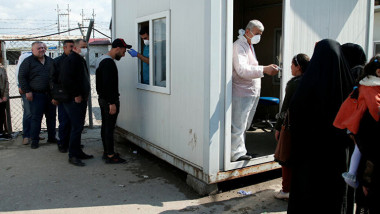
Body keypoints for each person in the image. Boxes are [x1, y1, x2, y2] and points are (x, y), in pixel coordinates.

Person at [287, 39, 354, 213]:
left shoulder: (305, 86)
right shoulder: (349, 88)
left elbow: (295, 113)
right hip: (336, 156)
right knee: (333, 196)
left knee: (308, 195)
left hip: (309, 155)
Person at [334, 55, 380, 213]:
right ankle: (352, 175)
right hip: (370, 174)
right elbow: (375, 112)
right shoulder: (370, 88)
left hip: (360, 139)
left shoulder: (367, 85)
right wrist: (367, 183)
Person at [231, 20, 279, 162]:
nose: (259, 36)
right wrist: (264, 69)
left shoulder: (248, 46)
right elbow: (242, 70)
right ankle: (236, 154)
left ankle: (241, 150)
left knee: (245, 124)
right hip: (242, 92)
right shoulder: (239, 46)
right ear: (248, 31)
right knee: (238, 125)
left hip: (250, 92)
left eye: (261, 34)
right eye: (257, 33)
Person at [273, 53, 310, 200]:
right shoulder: (312, 80)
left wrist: (278, 127)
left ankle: (286, 190)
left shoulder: (294, 84)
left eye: (292, 65)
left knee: (286, 158)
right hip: (307, 128)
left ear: (298, 67)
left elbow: (285, 108)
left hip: (292, 128)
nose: (290, 67)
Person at [96, 38, 130, 164]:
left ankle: (107, 152)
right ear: (117, 48)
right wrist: (112, 103)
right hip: (109, 101)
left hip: (103, 99)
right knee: (109, 128)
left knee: (106, 126)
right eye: (123, 51)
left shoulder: (102, 59)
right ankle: (110, 155)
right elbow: (107, 84)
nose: (124, 54)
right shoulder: (108, 63)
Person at [60, 39, 93, 166]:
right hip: (74, 99)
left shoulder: (79, 59)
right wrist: (76, 94)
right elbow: (66, 80)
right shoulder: (72, 60)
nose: (85, 49)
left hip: (80, 98)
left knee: (78, 127)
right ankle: (73, 155)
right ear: (75, 48)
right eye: (83, 47)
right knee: (76, 127)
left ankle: (78, 151)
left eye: (86, 47)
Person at [18, 42, 56, 149]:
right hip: (36, 95)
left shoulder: (50, 61)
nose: (42, 49)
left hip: (50, 95)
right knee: (36, 118)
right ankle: (34, 140)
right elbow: (22, 77)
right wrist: (27, 91)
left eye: (43, 48)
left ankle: (52, 137)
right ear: (33, 50)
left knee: (51, 117)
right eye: (39, 48)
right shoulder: (28, 61)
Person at [50, 40, 74, 153]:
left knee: (74, 121)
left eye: (74, 46)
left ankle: (73, 143)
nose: (72, 48)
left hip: (74, 96)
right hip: (62, 97)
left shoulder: (76, 60)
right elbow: (52, 80)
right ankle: (63, 143)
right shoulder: (57, 61)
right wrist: (54, 97)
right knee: (64, 121)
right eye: (70, 47)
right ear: (64, 48)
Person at [0, 63, 11, 139]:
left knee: (1, 115)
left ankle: (1, 132)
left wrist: (5, 95)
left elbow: (6, 82)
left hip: (2, 96)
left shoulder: (2, 69)